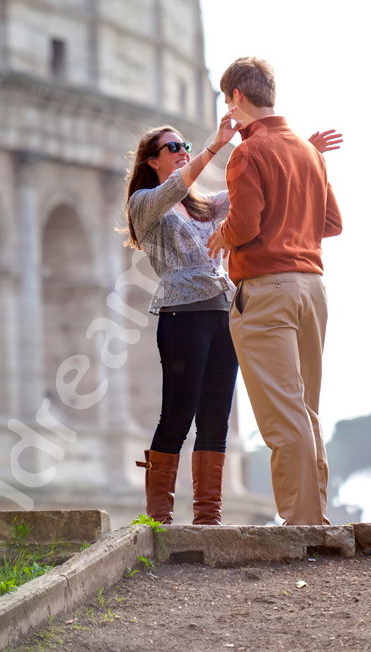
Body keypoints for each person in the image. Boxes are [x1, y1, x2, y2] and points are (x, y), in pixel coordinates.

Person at [124, 110, 341, 525]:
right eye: (173, 147)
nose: (182, 152)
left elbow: (252, 192)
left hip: (225, 314)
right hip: (182, 318)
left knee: (215, 419)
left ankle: (208, 517)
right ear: (151, 160)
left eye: (184, 145)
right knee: (176, 417)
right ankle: (158, 516)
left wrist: (301, 153)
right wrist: (216, 144)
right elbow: (177, 188)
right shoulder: (145, 204)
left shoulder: (202, 207)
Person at [207, 57, 343, 526]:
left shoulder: (248, 153)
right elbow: (332, 224)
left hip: (267, 291)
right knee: (305, 409)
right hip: (313, 289)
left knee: (283, 416)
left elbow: (244, 225)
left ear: (236, 99)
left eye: (227, 99)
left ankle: (303, 526)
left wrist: (222, 235)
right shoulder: (307, 151)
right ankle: (314, 516)